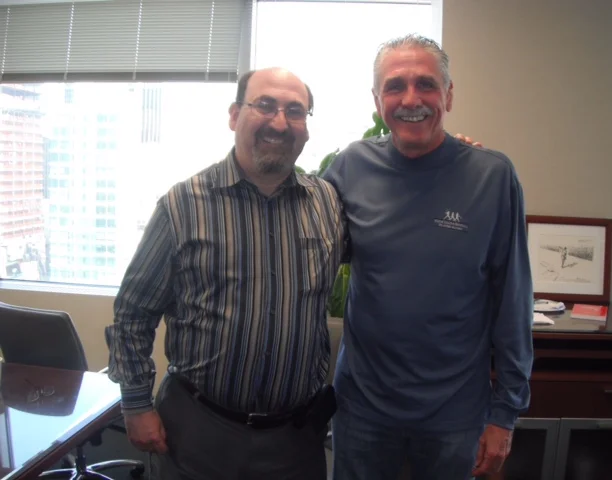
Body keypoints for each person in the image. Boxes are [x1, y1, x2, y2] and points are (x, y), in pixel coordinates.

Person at [105, 67, 346, 480]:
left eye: (295, 111)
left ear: (306, 126)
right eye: (265, 105)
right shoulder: (183, 204)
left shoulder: (327, 202)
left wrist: (450, 159)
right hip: (199, 431)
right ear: (235, 115)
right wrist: (136, 404)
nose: (279, 123)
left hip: (294, 439)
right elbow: (133, 313)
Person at [322, 34, 534, 480]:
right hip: (362, 409)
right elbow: (306, 250)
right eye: (395, 86)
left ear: (449, 95)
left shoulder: (492, 177)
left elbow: (513, 302)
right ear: (377, 100)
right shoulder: (349, 167)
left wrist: (505, 413)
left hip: (455, 413)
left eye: (426, 84)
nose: (410, 100)